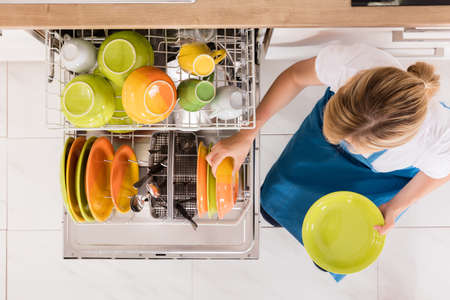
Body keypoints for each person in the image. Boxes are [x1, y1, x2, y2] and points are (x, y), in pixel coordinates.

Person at [206, 43, 450, 279]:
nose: (345, 143)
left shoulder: (439, 139)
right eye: (340, 130)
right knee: (272, 205)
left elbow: (441, 173)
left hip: (378, 177)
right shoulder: (354, 64)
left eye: (353, 143)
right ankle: (275, 210)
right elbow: (294, 77)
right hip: (318, 146)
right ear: (345, 91)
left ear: (395, 142)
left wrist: (394, 206)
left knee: (335, 241)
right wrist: (246, 134)